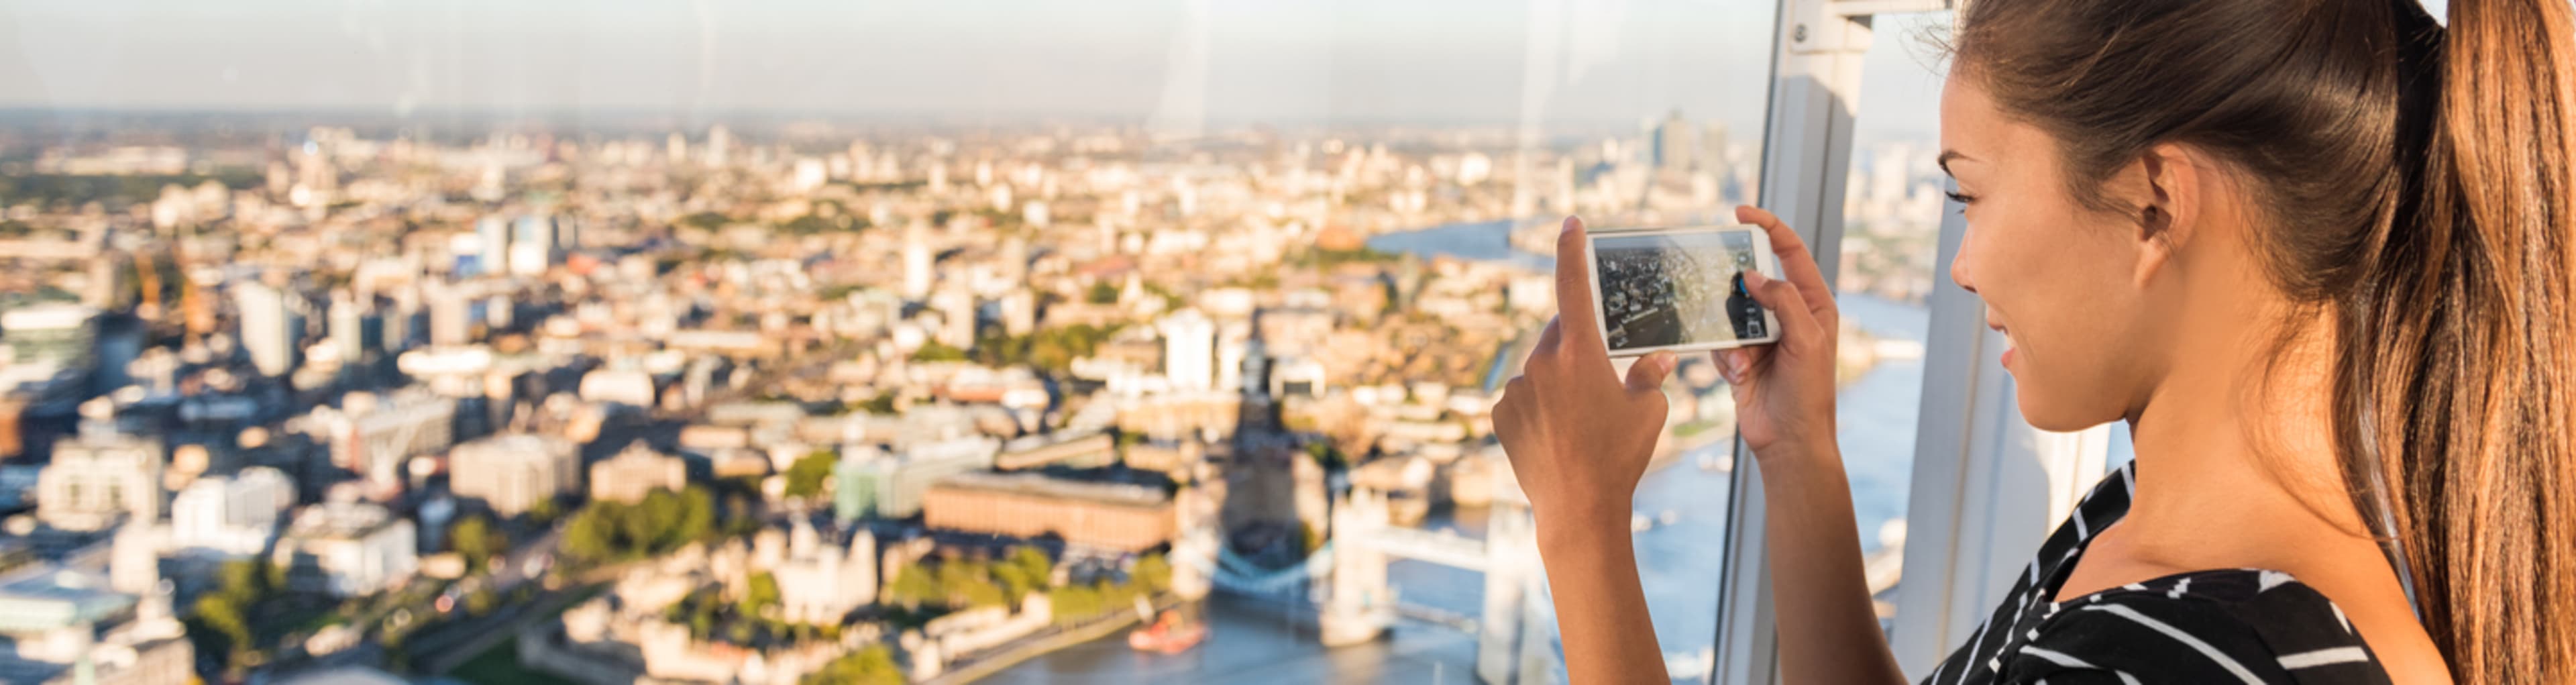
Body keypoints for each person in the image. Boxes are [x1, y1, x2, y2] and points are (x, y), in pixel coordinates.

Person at [1489, 0, 2573, 682]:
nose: (1964, 267)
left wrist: (1583, 524)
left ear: (2154, 204)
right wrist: (1798, 452)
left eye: (1971, 194)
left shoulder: (2169, 658)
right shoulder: (2147, 534)